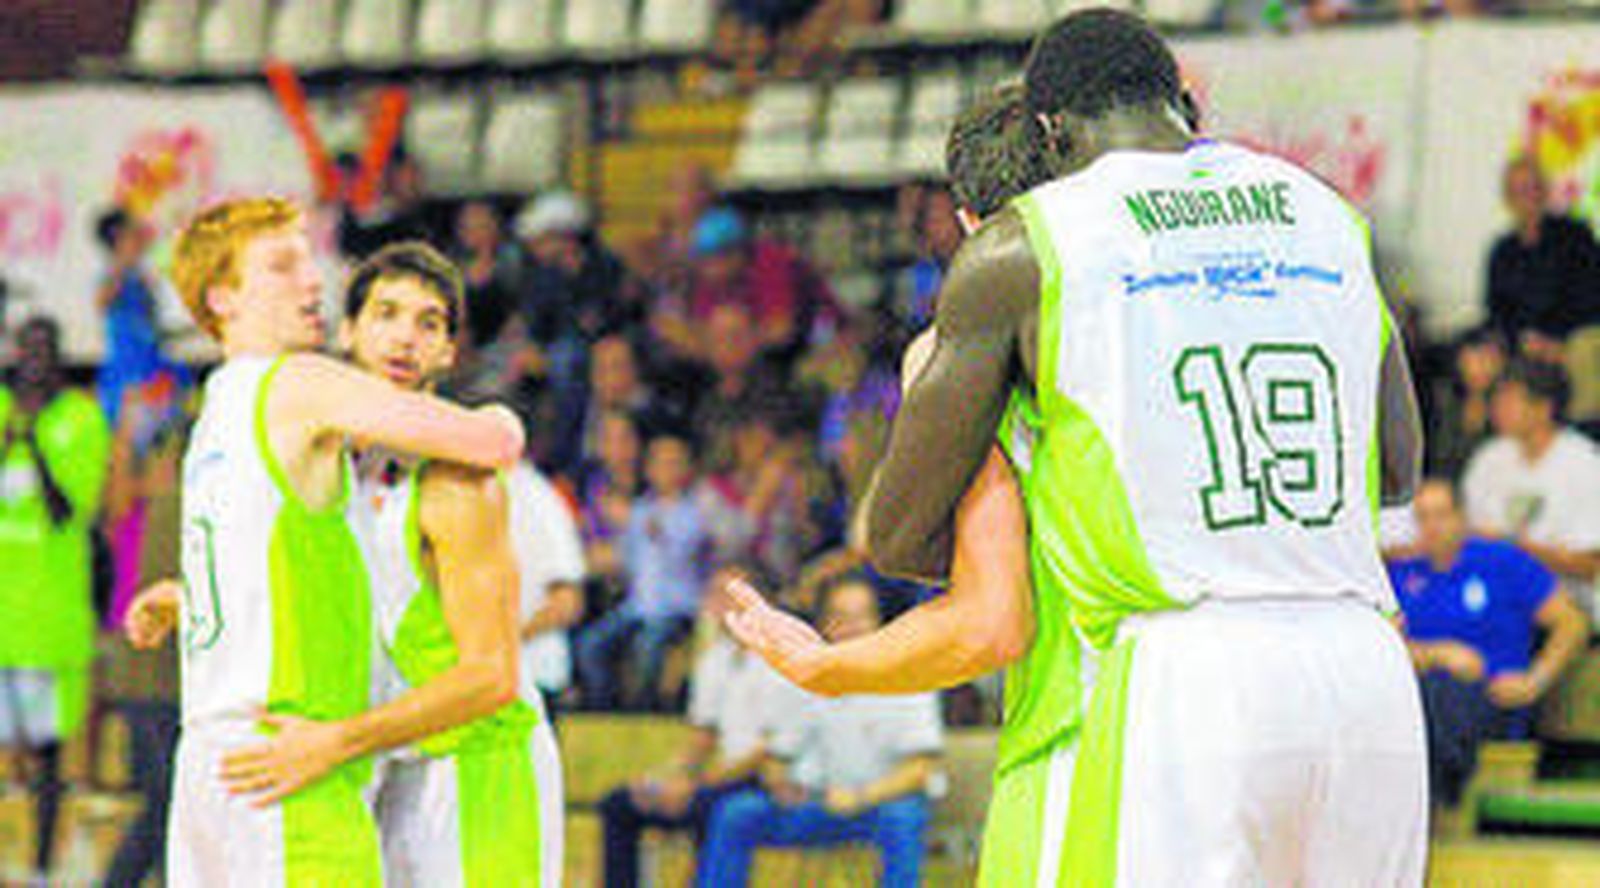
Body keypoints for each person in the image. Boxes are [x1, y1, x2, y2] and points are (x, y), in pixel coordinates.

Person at [736, 10, 1427, 885]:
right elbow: (1397, 470)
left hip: (1190, 667)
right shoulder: (1326, 212)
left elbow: (899, 537)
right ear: (1183, 102)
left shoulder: (1033, 240)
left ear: (1050, 132)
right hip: (1364, 664)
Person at [147, 197, 524, 885]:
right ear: (223, 296)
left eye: (308, 261)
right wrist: (502, 415)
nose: (312, 280)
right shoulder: (301, 381)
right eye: (283, 266)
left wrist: (185, 601)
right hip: (288, 759)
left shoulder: (211, 413)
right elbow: (495, 439)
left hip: (210, 759)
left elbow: (264, 573)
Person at [701, 578, 942, 888]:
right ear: (825, 624)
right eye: (840, 617)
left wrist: (859, 797)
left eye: (861, 617)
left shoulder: (907, 678)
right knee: (738, 813)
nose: (851, 627)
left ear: (879, 623)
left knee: (904, 817)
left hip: (878, 805)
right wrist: (780, 783)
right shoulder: (807, 677)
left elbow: (920, 770)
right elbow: (777, 757)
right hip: (819, 804)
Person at [597, 568, 802, 888]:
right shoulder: (715, 660)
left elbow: (769, 751)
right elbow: (702, 738)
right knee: (620, 803)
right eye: (713, 593)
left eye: (726, 594)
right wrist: (663, 777)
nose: (716, 603)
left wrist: (699, 783)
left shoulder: (785, 658)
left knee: (714, 808)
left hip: (764, 778)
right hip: (718, 775)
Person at [1389, 478, 1588, 806]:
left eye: (1441, 515)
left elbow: (1572, 622)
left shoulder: (1500, 560)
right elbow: (1385, 647)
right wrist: (1438, 654)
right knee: (1428, 692)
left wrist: (1535, 681)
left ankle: (1435, 802)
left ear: (1462, 517)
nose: (1433, 527)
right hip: (1423, 694)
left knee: (1441, 695)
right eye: (1423, 517)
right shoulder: (1403, 573)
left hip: (1495, 696)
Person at [0, 316, 111, 882]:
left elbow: (72, 512)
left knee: (44, 755)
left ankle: (41, 869)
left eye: (46, 349)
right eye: (26, 349)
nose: (34, 359)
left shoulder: (81, 418)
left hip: (46, 621)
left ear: (59, 357)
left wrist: (33, 445)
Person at [576, 430, 710, 710]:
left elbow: (687, 551)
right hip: (636, 607)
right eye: (659, 462)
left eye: (674, 463)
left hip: (676, 608)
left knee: (648, 645)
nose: (665, 470)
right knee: (590, 645)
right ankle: (605, 710)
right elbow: (625, 558)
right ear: (648, 469)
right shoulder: (638, 511)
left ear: (687, 469)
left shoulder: (695, 513)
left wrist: (655, 529)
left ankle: (645, 711)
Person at [1462, 358, 1600, 616]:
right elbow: (1468, 539)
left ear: (1544, 408)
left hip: (1569, 603)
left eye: (1509, 401)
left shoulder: (1586, 463)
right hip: (1494, 598)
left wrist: (1513, 547)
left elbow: (1591, 566)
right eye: (1496, 401)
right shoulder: (1488, 457)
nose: (1497, 409)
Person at [1485, 156, 1600, 358]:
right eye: (1519, 191)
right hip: (1521, 347)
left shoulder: (1576, 236)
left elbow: (1592, 300)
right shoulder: (1502, 252)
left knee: (1584, 349)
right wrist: (1520, 341)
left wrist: (1554, 342)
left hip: (1570, 341)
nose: (1529, 197)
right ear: (1507, 199)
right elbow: (1496, 314)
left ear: (1546, 190)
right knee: (1476, 358)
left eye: (1534, 187)